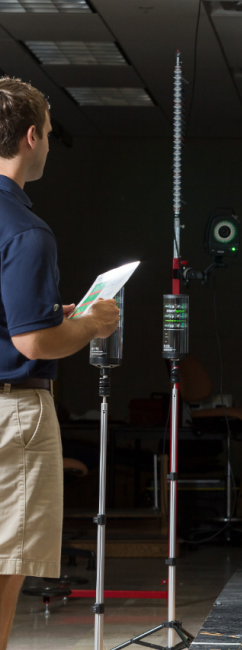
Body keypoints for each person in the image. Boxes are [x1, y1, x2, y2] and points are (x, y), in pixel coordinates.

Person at [0, 77, 119, 650]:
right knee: (4, 563)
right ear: (30, 138)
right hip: (12, 416)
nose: (48, 142)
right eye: (48, 132)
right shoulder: (27, 230)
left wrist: (51, 314)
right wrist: (90, 325)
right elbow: (34, 344)